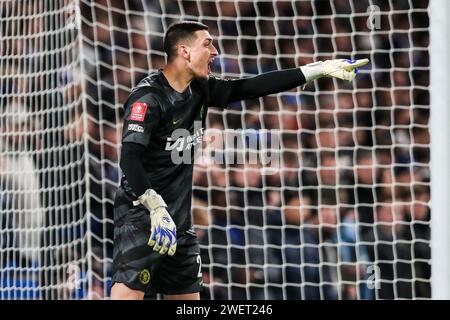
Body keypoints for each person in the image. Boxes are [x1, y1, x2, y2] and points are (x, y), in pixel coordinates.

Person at [110, 20, 368, 300]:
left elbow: (248, 88)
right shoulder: (148, 97)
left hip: (179, 223)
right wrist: (154, 205)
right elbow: (129, 158)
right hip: (142, 217)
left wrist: (314, 70)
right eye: (207, 44)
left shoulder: (199, 90)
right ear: (184, 51)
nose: (215, 51)